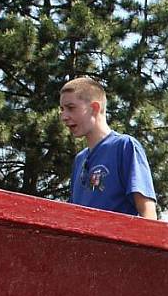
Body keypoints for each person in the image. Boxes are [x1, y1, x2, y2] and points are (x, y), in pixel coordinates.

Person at [59, 76, 157, 218]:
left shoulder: (124, 146)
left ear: (94, 108)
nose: (64, 116)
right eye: (62, 109)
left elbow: (148, 213)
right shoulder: (80, 160)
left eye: (71, 108)